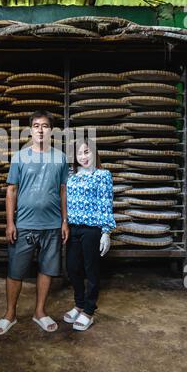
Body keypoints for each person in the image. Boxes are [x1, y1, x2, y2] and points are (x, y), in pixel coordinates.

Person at [0, 110, 69, 335]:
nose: (41, 130)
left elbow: (63, 191)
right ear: (30, 130)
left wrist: (64, 221)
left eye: (45, 126)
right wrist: (10, 223)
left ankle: (40, 312)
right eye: (36, 126)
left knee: (47, 269)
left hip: (52, 224)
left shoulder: (61, 158)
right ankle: (10, 314)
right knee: (16, 271)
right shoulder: (20, 157)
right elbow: (11, 191)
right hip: (24, 223)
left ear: (51, 130)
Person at [64, 137, 116, 331]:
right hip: (73, 228)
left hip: (92, 230)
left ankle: (89, 310)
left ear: (94, 153)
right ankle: (78, 304)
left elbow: (105, 204)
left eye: (87, 152)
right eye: (79, 153)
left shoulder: (103, 175)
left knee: (91, 270)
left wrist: (106, 232)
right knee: (72, 268)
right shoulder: (71, 176)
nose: (83, 157)